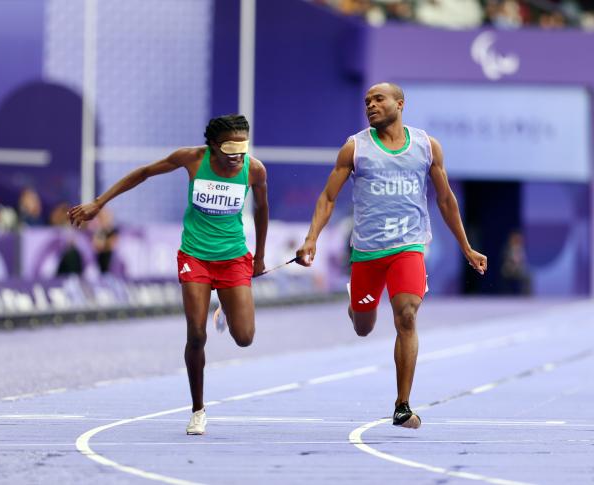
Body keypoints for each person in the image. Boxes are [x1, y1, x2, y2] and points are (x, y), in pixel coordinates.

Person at [296, 83, 487, 429]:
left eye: (378, 99)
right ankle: (357, 308)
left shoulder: (427, 147)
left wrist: (466, 247)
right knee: (364, 328)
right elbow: (327, 198)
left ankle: (402, 404)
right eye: (367, 101)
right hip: (367, 252)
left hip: (408, 246)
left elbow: (445, 201)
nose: (370, 105)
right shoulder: (355, 148)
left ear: (400, 104)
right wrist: (311, 238)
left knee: (407, 316)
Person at [68, 114, 268, 435]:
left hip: (233, 258)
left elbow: (261, 209)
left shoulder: (254, 170)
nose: (238, 155)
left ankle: (227, 308)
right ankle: (198, 409)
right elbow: (145, 173)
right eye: (230, 147)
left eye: (243, 147)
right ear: (213, 146)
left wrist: (259, 256)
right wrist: (98, 203)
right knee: (197, 334)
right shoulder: (191, 159)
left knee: (244, 339)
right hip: (195, 256)